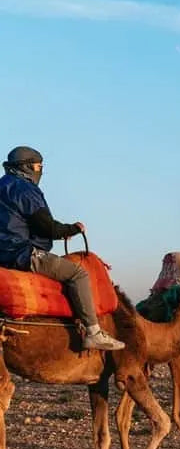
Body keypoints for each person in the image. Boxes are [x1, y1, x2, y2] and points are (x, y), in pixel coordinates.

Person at [0, 145, 125, 350]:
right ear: (27, 167)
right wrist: (73, 229)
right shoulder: (24, 188)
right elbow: (47, 227)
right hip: (21, 254)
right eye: (39, 167)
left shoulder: (2, 185)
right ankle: (93, 332)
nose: (41, 171)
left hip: (4, 254)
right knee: (79, 274)